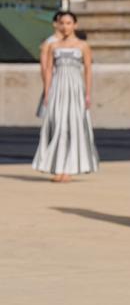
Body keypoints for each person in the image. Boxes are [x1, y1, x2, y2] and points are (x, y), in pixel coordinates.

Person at [32, 11, 98, 183]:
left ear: (75, 25)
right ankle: (59, 167)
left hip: (75, 89)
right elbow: (48, 70)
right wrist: (47, 92)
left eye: (69, 23)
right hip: (58, 89)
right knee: (58, 126)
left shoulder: (83, 46)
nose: (65, 26)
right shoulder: (54, 46)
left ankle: (69, 168)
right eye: (62, 23)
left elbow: (88, 70)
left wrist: (88, 93)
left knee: (73, 126)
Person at [36, 12, 62, 119]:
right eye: (60, 22)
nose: (63, 25)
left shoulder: (73, 42)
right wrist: (47, 86)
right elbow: (44, 66)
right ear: (55, 24)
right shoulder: (49, 42)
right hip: (54, 81)